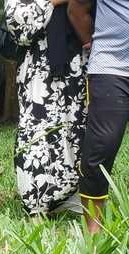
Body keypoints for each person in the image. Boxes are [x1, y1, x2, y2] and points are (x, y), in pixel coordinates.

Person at [5, 0, 88, 217]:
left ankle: (76, 197)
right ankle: (37, 203)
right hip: (38, 67)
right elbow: (18, 28)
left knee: (79, 130)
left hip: (81, 62)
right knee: (37, 133)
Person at [68, 0, 129, 233]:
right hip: (111, 65)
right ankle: (93, 230)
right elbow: (77, 9)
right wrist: (92, 44)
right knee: (101, 146)